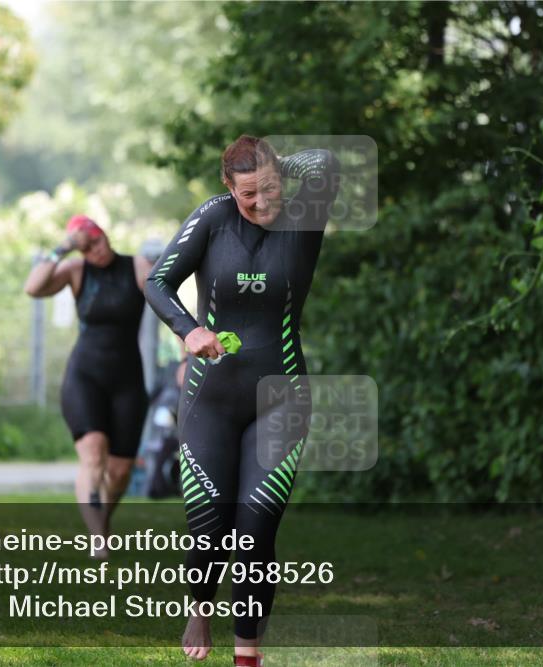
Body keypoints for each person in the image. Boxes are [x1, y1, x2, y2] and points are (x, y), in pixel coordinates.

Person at [143, 136, 340, 666]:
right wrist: (188, 330)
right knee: (210, 528)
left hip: (281, 398)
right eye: (248, 193)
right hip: (210, 399)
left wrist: (275, 165)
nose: (261, 202)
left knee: (254, 532)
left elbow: (327, 163)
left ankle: (247, 655)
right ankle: (200, 607)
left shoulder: (303, 217)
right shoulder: (213, 217)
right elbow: (158, 282)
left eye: (269, 188)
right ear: (228, 188)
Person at [24, 215, 153, 559]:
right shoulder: (76, 270)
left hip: (127, 379)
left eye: (97, 241)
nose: (96, 250)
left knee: (120, 471)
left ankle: (102, 523)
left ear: (106, 235)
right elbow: (33, 287)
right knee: (93, 454)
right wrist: (65, 247)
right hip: (85, 378)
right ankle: (98, 540)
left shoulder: (136, 266)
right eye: (87, 247)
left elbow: (164, 296)